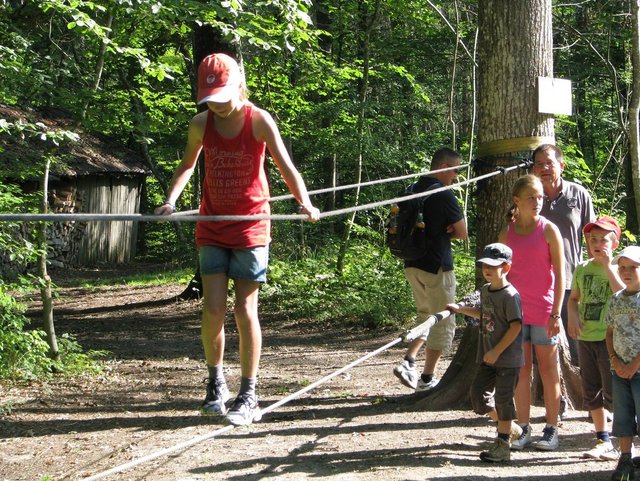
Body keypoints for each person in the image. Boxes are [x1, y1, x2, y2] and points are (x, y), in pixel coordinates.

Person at [155, 53, 319, 426]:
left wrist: (304, 203)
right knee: (212, 308)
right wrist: (170, 201)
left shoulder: (258, 120)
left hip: (250, 227)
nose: (217, 104)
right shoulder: (201, 124)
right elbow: (187, 166)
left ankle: (249, 393)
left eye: (223, 96)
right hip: (212, 225)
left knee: (245, 309)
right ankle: (216, 385)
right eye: (210, 98)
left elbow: (285, 166)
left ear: (239, 85)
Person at [498, 174, 565, 451]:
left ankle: (552, 429)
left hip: (545, 312)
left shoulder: (549, 230)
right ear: (517, 201)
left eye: (540, 197)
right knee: (521, 372)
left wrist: (557, 313)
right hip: (516, 314)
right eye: (531, 198)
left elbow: (562, 275)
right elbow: (499, 277)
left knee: (549, 372)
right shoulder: (506, 234)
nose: (538, 202)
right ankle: (523, 428)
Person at [392, 148, 468, 393]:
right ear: (444, 166)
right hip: (437, 266)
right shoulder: (443, 194)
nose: (456, 175)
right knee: (443, 320)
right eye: (455, 169)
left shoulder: (411, 190)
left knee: (424, 315)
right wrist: (448, 229)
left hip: (412, 263)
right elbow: (462, 231)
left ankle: (409, 361)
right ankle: (427, 378)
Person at [447, 242, 523, 463]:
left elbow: (516, 326)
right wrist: (461, 309)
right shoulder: (485, 291)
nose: (487, 269)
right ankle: (510, 428)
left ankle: (502, 445)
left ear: (506, 268)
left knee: (503, 400)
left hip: (507, 358)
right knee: (478, 396)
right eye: (484, 265)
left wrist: (498, 351)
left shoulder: (510, 295)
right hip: (487, 356)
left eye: (493, 266)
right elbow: (484, 314)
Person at [532, 144, 596, 365]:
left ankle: (579, 388)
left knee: (575, 339)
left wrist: (593, 275)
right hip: (536, 284)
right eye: (538, 164)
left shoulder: (578, 194)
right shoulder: (530, 197)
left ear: (561, 166)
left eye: (549, 163)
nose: (544, 168)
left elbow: (592, 237)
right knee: (540, 341)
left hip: (571, 281)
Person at [567, 216, 624, 461]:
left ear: (614, 243)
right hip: (586, 338)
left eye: (604, 239)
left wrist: (609, 266)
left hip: (610, 340)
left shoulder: (622, 266)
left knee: (615, 391)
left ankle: (623, 441)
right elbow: (573, 299)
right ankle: (602, 439)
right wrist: (571, 316)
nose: (598, 244)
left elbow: (623, 295)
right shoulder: (582, 268)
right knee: (591, 390)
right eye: (593, 239)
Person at [605, 245, 640, 481]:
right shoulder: (616, 300)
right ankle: (625, 458)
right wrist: (614, 360)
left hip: (638, 370)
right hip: (619, 370)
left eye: (633, 267)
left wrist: (634, 365)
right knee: (623, 416)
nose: (626, 272)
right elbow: (609, 332)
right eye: (622, 267)